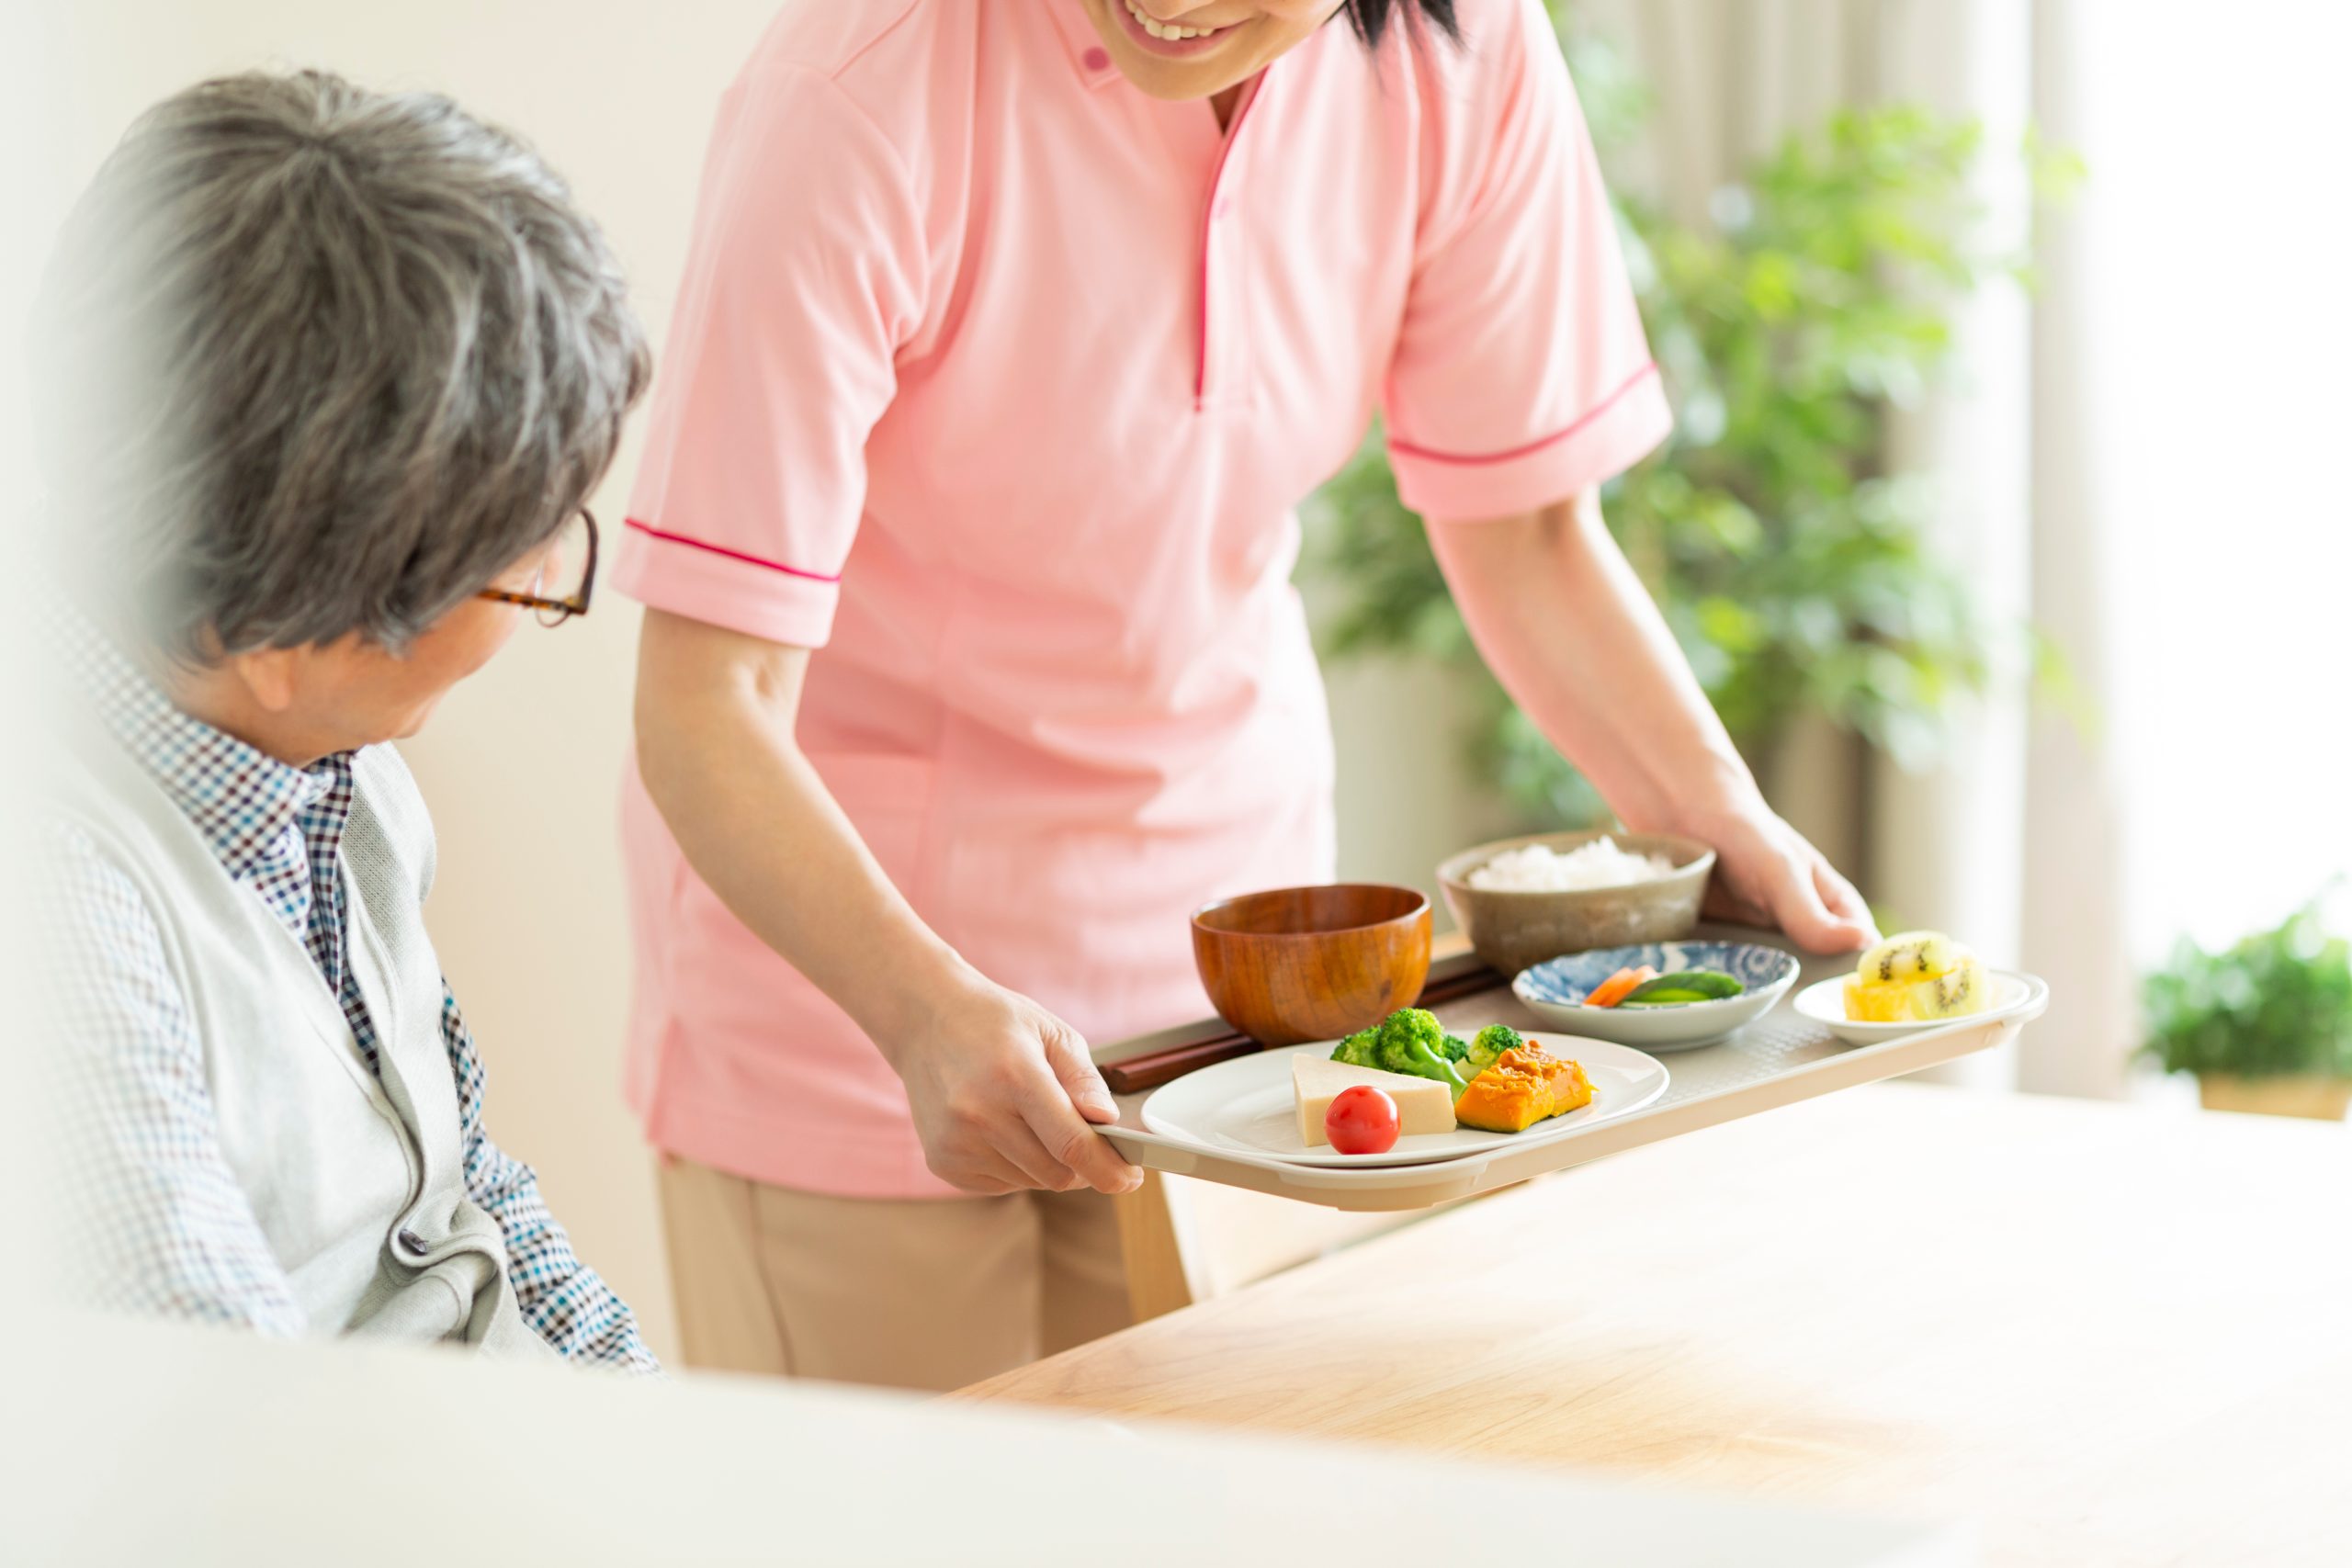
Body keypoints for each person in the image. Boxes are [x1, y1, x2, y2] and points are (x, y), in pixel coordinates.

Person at [622, 0, 1878, 1391]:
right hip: (858, 1001)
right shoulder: (858, 90)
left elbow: (1525, 529)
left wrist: (1717, 819)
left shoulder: (1458, 50)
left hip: (1243, 1008)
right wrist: (922, 1009)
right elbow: (709, 703)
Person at [32, 71, 658, 1369]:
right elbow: (233, 1441)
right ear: (270, 636)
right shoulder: (57, 923)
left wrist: (670, 1439)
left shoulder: (323, 759)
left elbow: (462, 1194)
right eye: (519, 557)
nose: (553, 576)